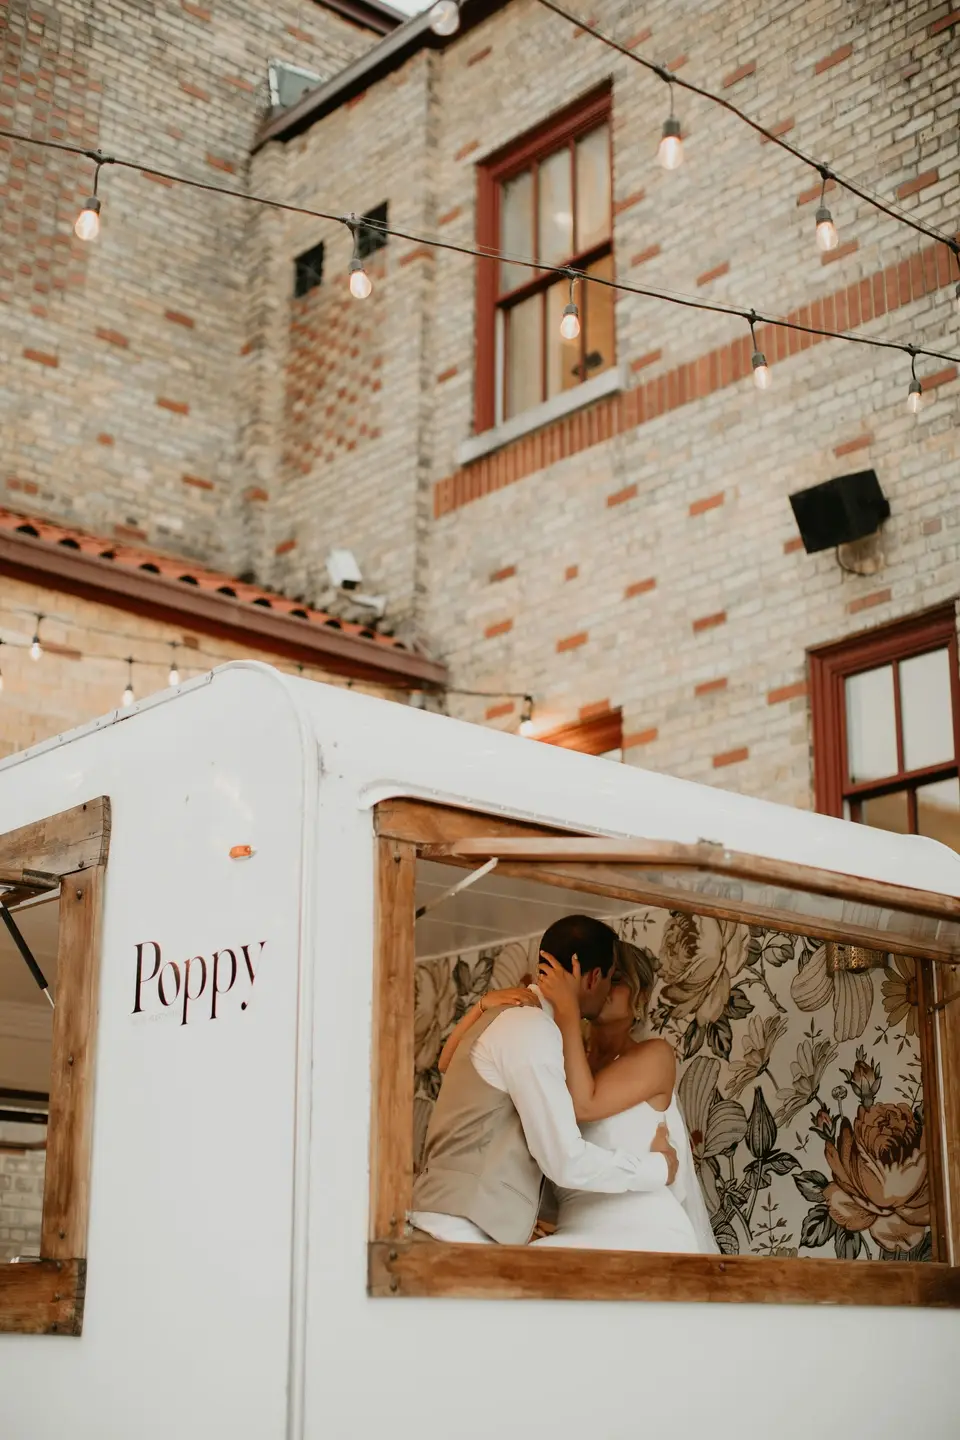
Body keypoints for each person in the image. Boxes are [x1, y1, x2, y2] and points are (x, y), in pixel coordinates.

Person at [408, 915, 679, 1246]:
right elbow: (565, 1161)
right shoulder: (533, 1029)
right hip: (462, 1231)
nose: (609, 990)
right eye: (611, 977)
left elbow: (450, 1066)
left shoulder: (517, 1021)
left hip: (459, 1222)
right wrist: (657, 1169)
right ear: (595, 977)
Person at [532, 940, 717, 1253]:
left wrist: (567, 1011)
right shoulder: (557, 1061)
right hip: (575, 1231)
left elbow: (583, 1104)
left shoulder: (656, 1056)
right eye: (595, 977)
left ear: (641, 997)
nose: (602, 987)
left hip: (646, 1233)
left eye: (615, 980)